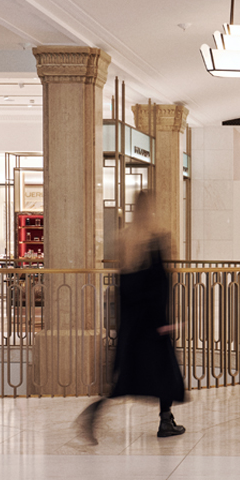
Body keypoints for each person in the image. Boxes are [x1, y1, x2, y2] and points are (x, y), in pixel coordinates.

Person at [77, 190, 186, 443]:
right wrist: (164, 321)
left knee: (125, 377)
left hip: (131, 322)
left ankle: (95, 412)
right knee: (166, 373)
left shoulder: (124, 239)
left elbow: (122, 288)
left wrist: (122, 323)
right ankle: (165, 420)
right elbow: (160, 285)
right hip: (152, 322)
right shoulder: (156, 238)